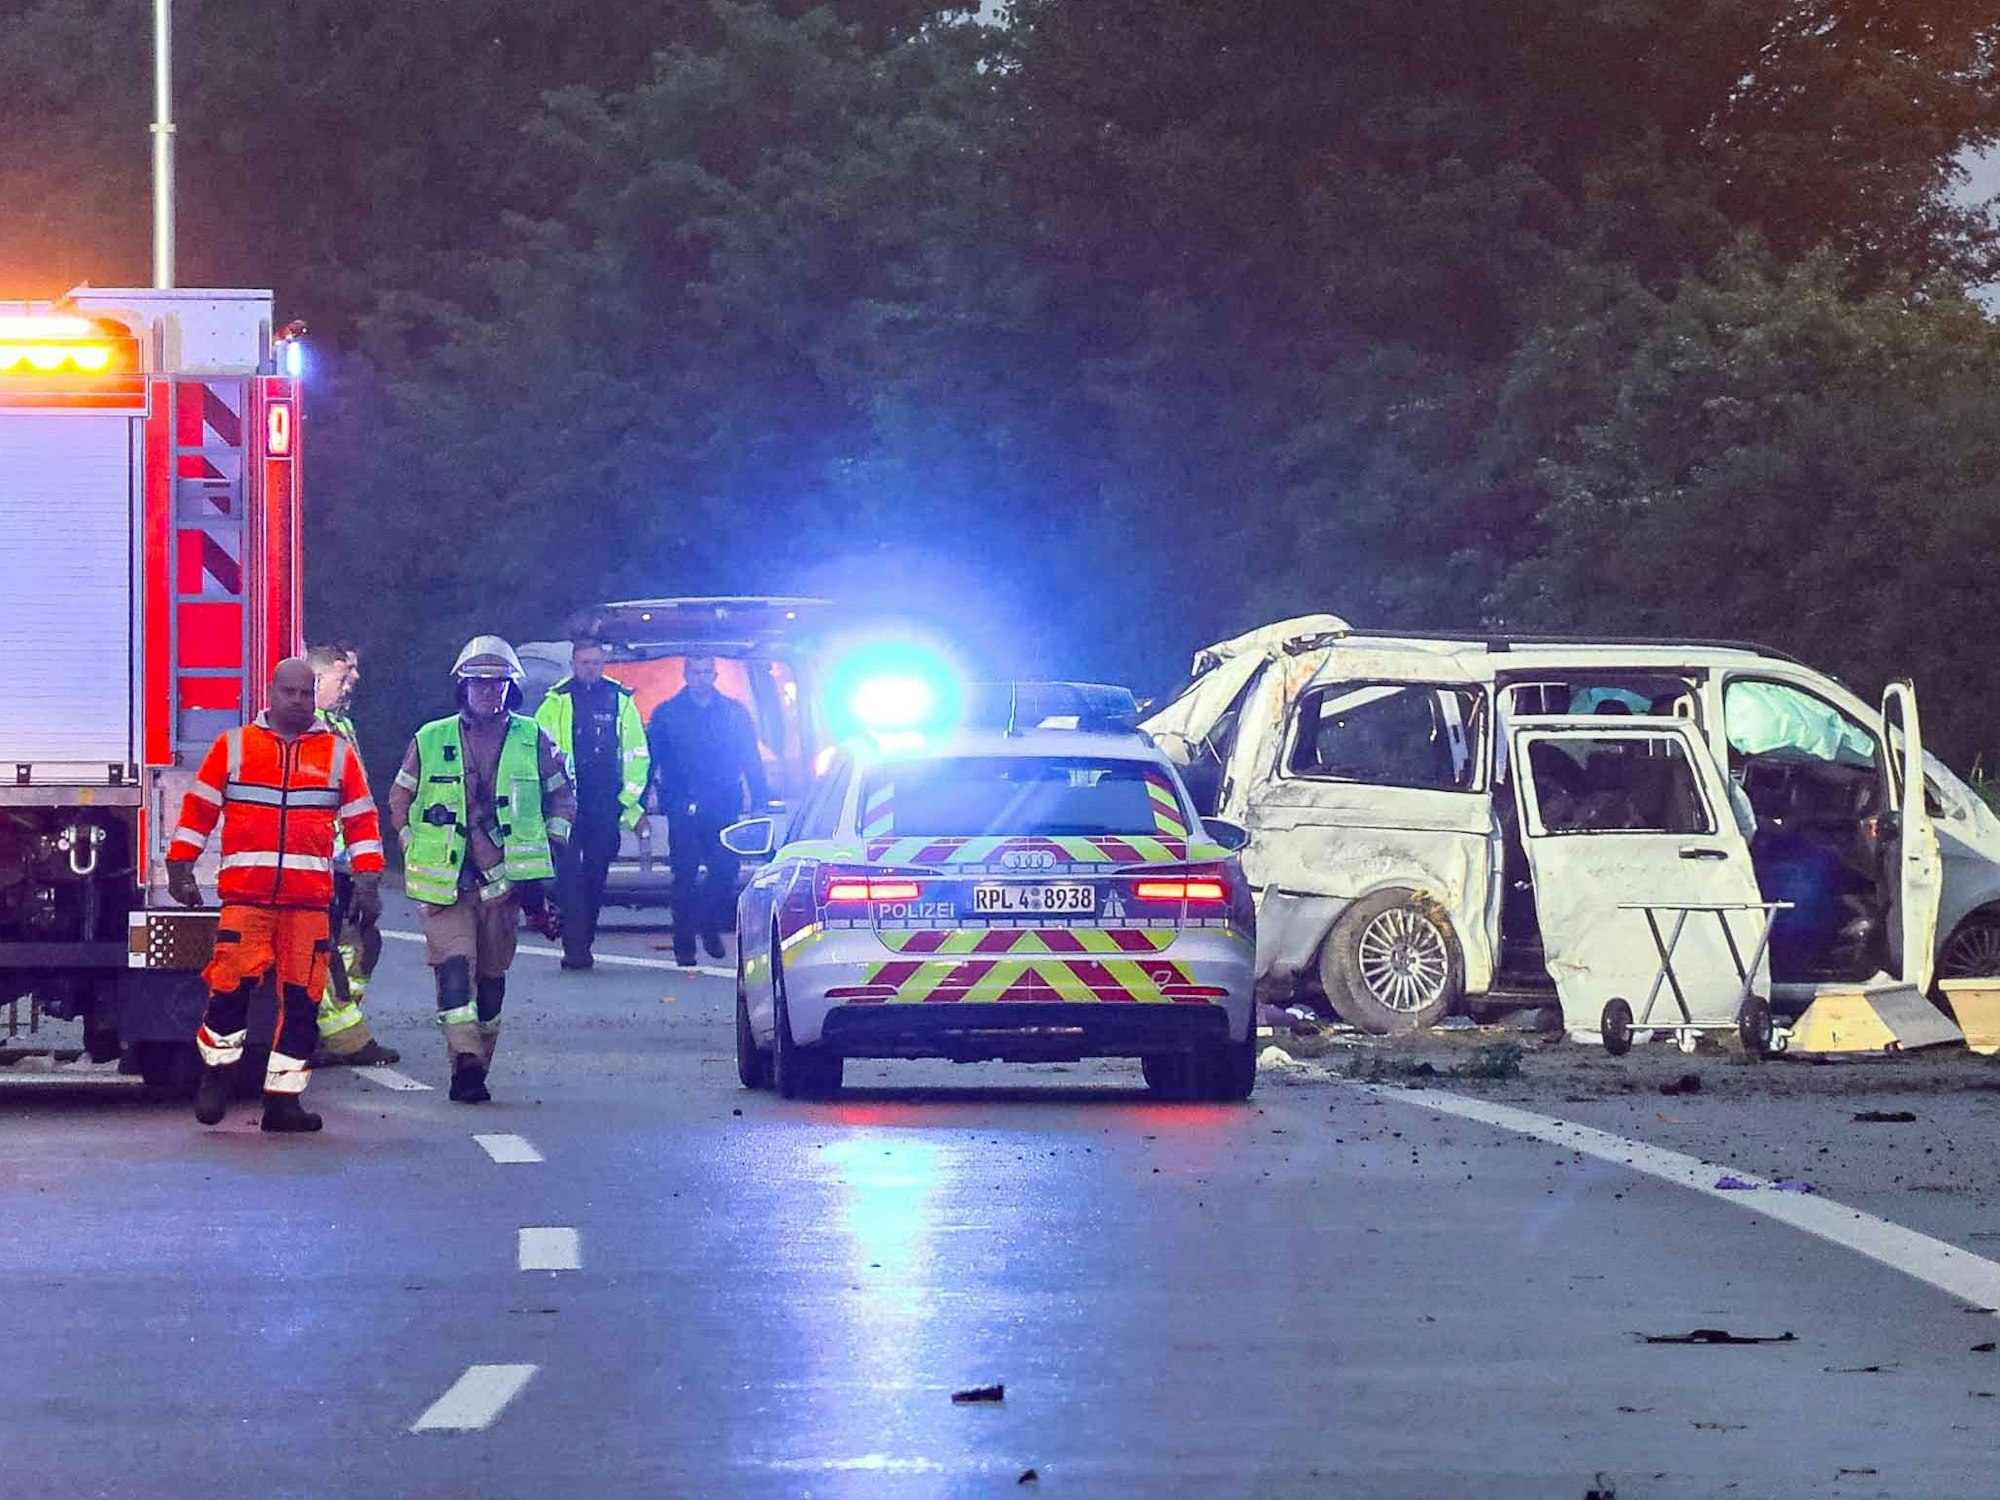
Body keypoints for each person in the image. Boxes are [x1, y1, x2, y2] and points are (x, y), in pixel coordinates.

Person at [166, 658, 385, 1133]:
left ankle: (283, 1103)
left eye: (307, 693)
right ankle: (215, 1079)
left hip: (308, 905)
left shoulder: (336, 754)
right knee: (228, 993)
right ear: (271, 693)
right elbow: (200, 807)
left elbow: (362, 821)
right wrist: (179, 862)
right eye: (290, 692)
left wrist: (368, 880)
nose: (300, 702)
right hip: (247, 900)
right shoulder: (236, 747)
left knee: (303, 1005)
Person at [390, 636, 575, 1103]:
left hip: (506, 887)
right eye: (478, 684)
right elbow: (400, 800)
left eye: (496, 685)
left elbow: (563, 796)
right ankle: (465, 1062)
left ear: (511, 690)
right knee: (454, 969)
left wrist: (548, 847)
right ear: (462, 687)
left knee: (491, 981)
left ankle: (481, 1056)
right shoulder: (430, 738)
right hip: (446, 886)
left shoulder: (534, 739)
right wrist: (415, 847)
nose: (487, 693)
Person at [306, 642, 398, 1067]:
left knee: (362, 943)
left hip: (344, 862)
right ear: (317, 680)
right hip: (322, 864)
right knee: (327, 953)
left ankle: (334, 1026)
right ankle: (343, 1038)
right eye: (344, 676)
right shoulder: (311, 731)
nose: (353, 683)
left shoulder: (338, 726)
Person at [533, 637, 650, 970]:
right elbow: (538, 754)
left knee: (596, 876)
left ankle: (584, 936)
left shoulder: (619, 701)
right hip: (565, 804)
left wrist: (629, 804)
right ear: (573, 664)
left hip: (604, 804)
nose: (590, 669)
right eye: (584, 663)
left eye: (596, 663)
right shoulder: (555, 702)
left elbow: (636, 755)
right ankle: (575, 948)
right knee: (568, 877)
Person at [646, 655, 768, 966]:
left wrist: (759, 799)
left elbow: (750, 757)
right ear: (686, 675)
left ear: (714, 675)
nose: (702, 678)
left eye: (707, 673)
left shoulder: (733, 712)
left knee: (726, 870)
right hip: (682, 803)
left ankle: (709, 922)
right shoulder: (667, 714)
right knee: (684, 875)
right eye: (696, 672)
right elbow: (650, 760)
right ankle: (684, 943)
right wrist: (641, 801)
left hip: (723, 803)